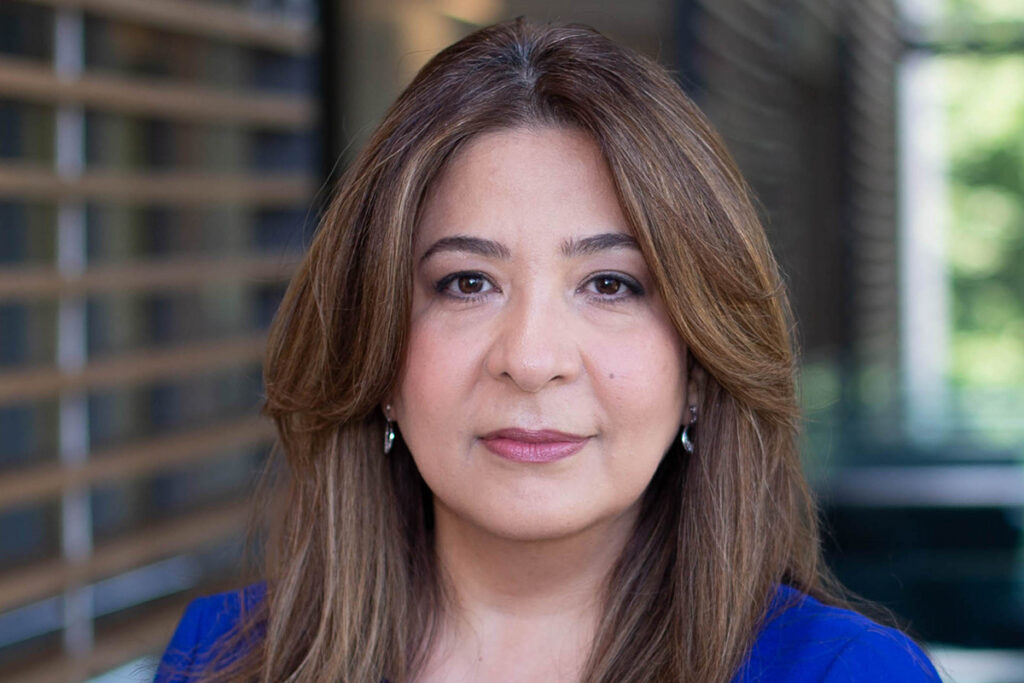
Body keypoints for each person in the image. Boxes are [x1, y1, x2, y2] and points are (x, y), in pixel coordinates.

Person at [156, 18, 941, 683]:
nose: (531, 360)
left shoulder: (849, 672)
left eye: (609, 284)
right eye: (467, 282)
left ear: (701, 364)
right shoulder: (222, 657)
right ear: (380, 355)